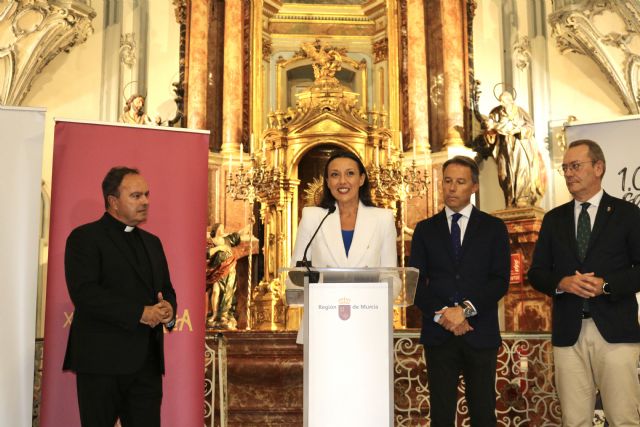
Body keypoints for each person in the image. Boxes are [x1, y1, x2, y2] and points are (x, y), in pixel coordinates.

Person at [528, 139, 640, 426]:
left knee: (623, 418)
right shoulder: (553, 219)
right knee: (574, 420)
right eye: (565, 168)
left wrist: (606, 285)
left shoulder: (627, 215)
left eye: (575, 166)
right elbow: (537, 272)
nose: (568, 174)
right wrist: (561, 282)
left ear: (598, 168)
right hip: (569, 333)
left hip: (615, 331)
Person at [63, 166, 177, 427]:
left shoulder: (153, 242)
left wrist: (168, 309)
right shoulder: (84, 238)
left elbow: (166, 288)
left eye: (147, 195)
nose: (146, 201)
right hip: (101, 362)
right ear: (113, 202)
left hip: (146, 365)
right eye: (136, 196)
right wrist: (141, 312)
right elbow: (85, 294)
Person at [409, 155, 510, 426]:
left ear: (474, 187)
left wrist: (464, 312)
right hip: (439, 334)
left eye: (460, 182)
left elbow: (500, 281)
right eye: (448, 181)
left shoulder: (494, 228)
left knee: (483, 414)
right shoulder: (425, 229)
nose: (452, 188)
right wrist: (445, 316)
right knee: (441, 416)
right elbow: (415, 283)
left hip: (479, 332)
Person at [291, 150, 398, 342]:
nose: (342, 181)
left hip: (368, 321)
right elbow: (295, 274)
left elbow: (392, 277)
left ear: (362, 179)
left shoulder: (383, 219)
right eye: (335, 175)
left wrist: (370, 298)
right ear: (327, 181)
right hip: (323, 322)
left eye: (350, 173)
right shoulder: (312, 217)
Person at [483, 90, 545, 207]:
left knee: (522, 170)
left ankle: (522, 199)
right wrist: (490, 129)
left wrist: (519, 130)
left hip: (520, 146)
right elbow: (490, 131)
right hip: (505, 148)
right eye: (500, 101)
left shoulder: (520, 112)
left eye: (504, 101)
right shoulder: (496, 113)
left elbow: (530, 127)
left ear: (511, 101)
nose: (502, 104)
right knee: (505, 174)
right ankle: (510, 199)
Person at [205, 224, 241, 329]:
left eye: (223, 229)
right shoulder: (211, 241)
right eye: (220, 229)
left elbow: (240, 234)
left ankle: (224, 314)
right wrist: (220, 247)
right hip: (217, 272)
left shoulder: (227, 239)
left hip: (229, 270)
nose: (222, 230)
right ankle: (215, 314)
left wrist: (251, 225)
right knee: (216, 291)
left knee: (228, 291)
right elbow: (207, 253)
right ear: (215, 230)